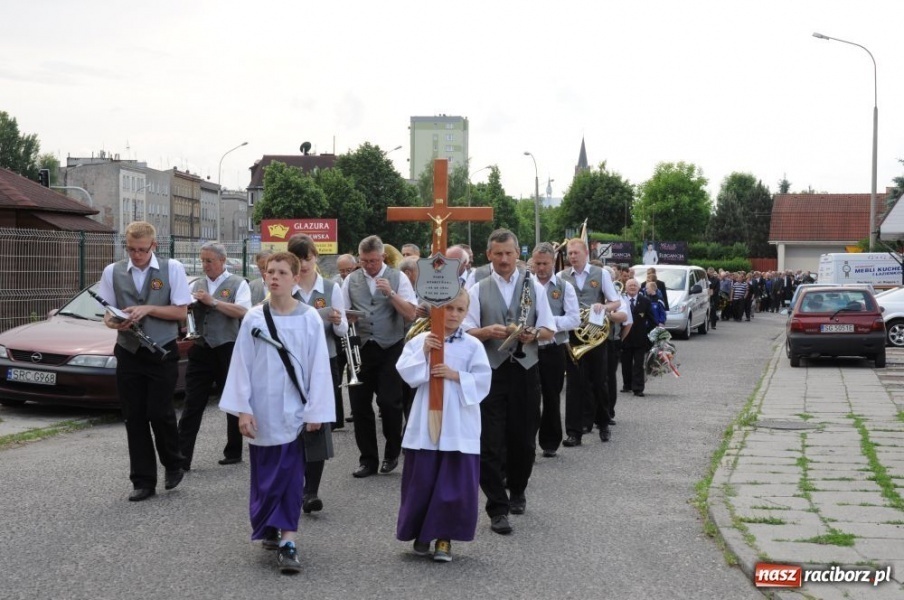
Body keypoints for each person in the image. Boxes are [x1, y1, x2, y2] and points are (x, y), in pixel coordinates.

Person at [218, 252, 334, 575]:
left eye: (283, 272)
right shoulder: (254, 318)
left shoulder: (309, 318)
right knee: (265, 478)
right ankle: (269, 523)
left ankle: (288, 542)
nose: (275, 277)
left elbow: (319, 368)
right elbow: (241, 366)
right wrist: (243, 410)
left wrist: (317, 411)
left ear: (296, 279)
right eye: (271, 271)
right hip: (262, 414)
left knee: (292, 478)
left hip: (295, 415)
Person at [463, 229, 555, 535]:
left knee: (524, 439)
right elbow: (465, 331)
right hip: (491, 370)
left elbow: (549, 329)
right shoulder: (478, 287)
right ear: (488, 255)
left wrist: (533, 334)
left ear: (518, 254)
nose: (504, 259)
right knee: (489, 441)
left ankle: (517, 489)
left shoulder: (532, 286)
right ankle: (496, 507)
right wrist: (488, 331)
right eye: (498, 254)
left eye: (509, 253)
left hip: (525, 369)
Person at [97, 221, 192, 502]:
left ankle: (173, 462)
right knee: (134, 416)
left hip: (161, 350)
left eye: (141, 250)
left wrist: (148, 308)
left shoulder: (171, 268)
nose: (136, 255)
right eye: (131, 249)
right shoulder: (112, 272)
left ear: (153, 246)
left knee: (159, 412)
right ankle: (143, 480)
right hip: (129, 351)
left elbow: (180, 312)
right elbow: (106, 313)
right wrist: (116, 323)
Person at [395, 290, 491, 562]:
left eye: (460, 310)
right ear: (437, 310)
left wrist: (455, 375)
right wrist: (424, 354)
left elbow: (483, 381)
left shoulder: (473, 345)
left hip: (458, 423)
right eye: (448, 308)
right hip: (427, 421)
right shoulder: (422, 340)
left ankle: (444, 539)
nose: (453, 315)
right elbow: (405, 373)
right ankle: (421, 532)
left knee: (453, 485)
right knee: (422, 480)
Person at [342, 235, 418, 478]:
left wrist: (392, 294)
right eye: (363, 261)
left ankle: (392, 453)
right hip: (361, 347)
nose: (368, 265)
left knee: (389, 402)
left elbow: (411, 314)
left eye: (373, 261)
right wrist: (346, 319)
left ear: (382, 257)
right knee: (360, 405)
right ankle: (368, 460)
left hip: (391, 347)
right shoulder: (351, 280)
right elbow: (342, 316)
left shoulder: (398, 277)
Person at [177, 242, 251, 471]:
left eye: (209, 260)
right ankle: (182, 458)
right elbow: (183, 312)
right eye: (202, 260)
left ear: (222, 261)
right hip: (201, 348)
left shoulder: (238, 283)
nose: (205, 265)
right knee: (192, 403)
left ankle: (233, 450)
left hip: (227, 347)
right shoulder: (197, 284)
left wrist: (214, 302)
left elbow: (244, 312)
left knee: (231, 401)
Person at [287, 233, 347, 512]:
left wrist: (337, 322)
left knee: (318, 426)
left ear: (315, 257)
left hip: (324, 362)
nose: (304, 264)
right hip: (292, 365)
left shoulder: (330, 287)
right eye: (298, 259)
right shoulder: (286, 287)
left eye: (308, 258)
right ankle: (292, 484)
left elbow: (343, 330)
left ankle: (311, 491)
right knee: (291, 424)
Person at [557, 238, 621, 446]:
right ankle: (574, 432)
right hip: (573, 336)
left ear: (586, 253)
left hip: (595, 334)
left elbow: (615, 301)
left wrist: (604, 307)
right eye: (570, 253)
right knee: (575, 384)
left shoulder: (600, 273)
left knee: (598, 381)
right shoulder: (561, 276)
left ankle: (602, 423)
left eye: (576, 252)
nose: (572, 256)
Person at [531, 243, 580, 458]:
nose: (541, 268)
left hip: (553, 348)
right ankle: (527, 442)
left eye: (545, 264)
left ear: (553, 263)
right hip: (529, 348)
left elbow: (574, 319)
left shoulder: (564, 287)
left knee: (551, 395)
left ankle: (550, 442)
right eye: (537, 263)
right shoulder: (526, 284)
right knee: (529, 397)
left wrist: (548, 324)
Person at [621, 279, 656, 397]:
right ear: (625, 287)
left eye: (635, 285)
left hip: (640, 339)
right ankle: (627, 385)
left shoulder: (645, 301)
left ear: (639, 288)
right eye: (630, 285)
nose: (632, 287)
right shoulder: (620, 301)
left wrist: (648, 334)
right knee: (625, 363)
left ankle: (638, 388)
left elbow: (652, 320)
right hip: (624, 338)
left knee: (638, 364)